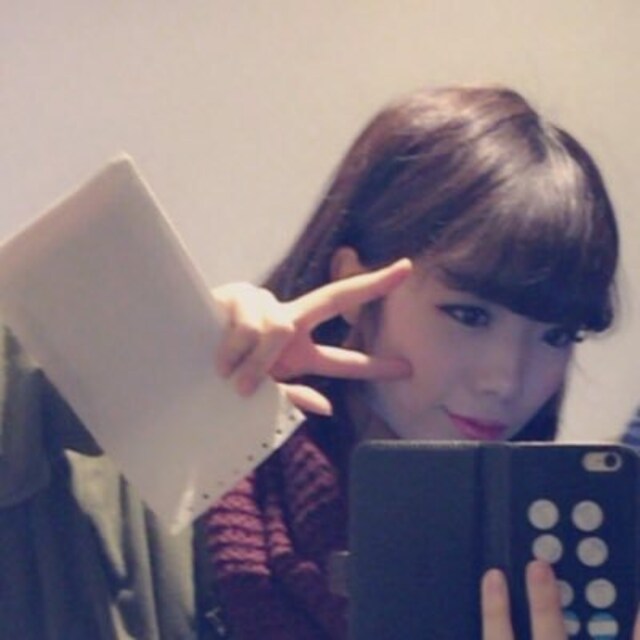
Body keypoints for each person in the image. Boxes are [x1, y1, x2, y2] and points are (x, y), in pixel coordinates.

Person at [197, 84, 625, 639]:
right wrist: (175, 376)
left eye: (557, 335)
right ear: (354, 285)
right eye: (469, 315)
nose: (506, 381)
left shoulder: (566, 574)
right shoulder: (199, 489)